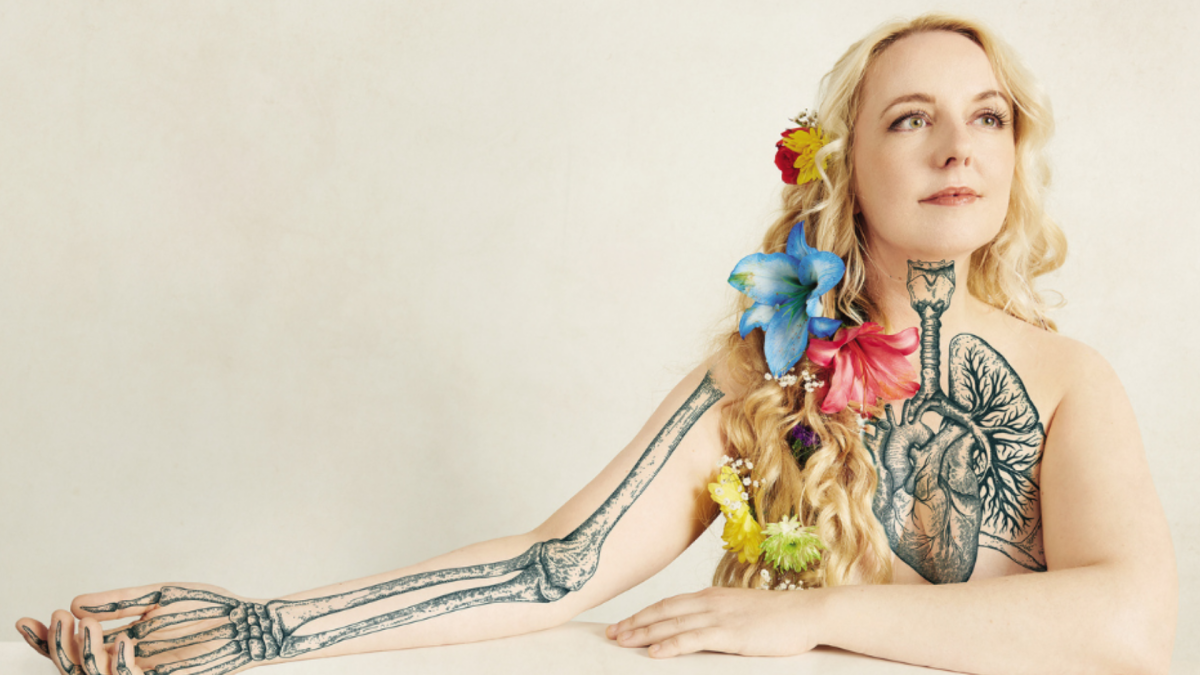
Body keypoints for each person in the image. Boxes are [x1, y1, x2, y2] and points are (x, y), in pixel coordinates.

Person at [14, 12, 1177, 675]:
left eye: (988, 118)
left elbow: (1130, 623)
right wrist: (258, 630)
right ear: (845, 169)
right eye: (910, 119)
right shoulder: (764, 374)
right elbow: (553, 569)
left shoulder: (1069, 382)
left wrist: (808, 613)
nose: (956, 147)